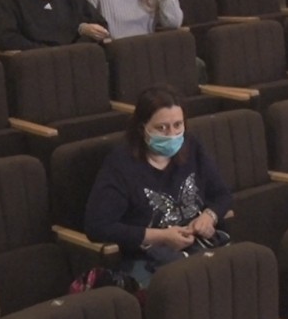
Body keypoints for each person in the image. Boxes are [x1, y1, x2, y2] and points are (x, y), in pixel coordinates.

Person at [84, 85, 233, 285]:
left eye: (178, 125)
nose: (172, 134)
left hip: (198, 247)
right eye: (162, 128)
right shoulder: (121, 165)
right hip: (148, 258)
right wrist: (161, 236)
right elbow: (98, 226)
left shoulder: (191, 146)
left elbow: (222, 195)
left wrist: (209, 217)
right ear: (142, 128)